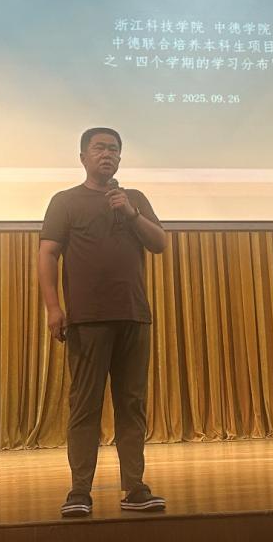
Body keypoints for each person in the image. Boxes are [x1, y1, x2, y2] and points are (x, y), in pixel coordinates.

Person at [39, 127, 168, 518]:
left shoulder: (134, 199)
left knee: (132, 405)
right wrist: (53, 307)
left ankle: (135, 488)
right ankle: (79, 491)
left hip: (133, 315)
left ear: (120, 158)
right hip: (87, 319)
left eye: (114, 149)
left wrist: (130, 213)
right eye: (99, 148)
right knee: (85, 406)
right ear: (83, 157)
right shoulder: (65, 201)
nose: (107, 154)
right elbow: (48, 254)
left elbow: (160, 243)